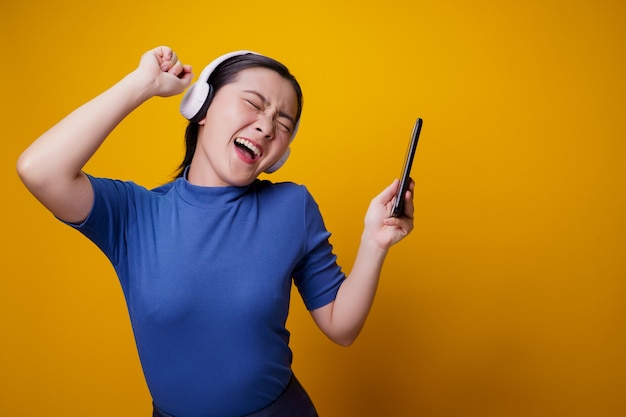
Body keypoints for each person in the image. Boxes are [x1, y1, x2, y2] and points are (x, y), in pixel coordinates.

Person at [17, 46, 415, 417]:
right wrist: (143, 84)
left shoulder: (293, 207)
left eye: (283, 122)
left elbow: (341, 327)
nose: (266, 127)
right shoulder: (133, 214)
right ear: (201, 107)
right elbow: (39, 170)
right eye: (253, 104)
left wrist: (373, 242)